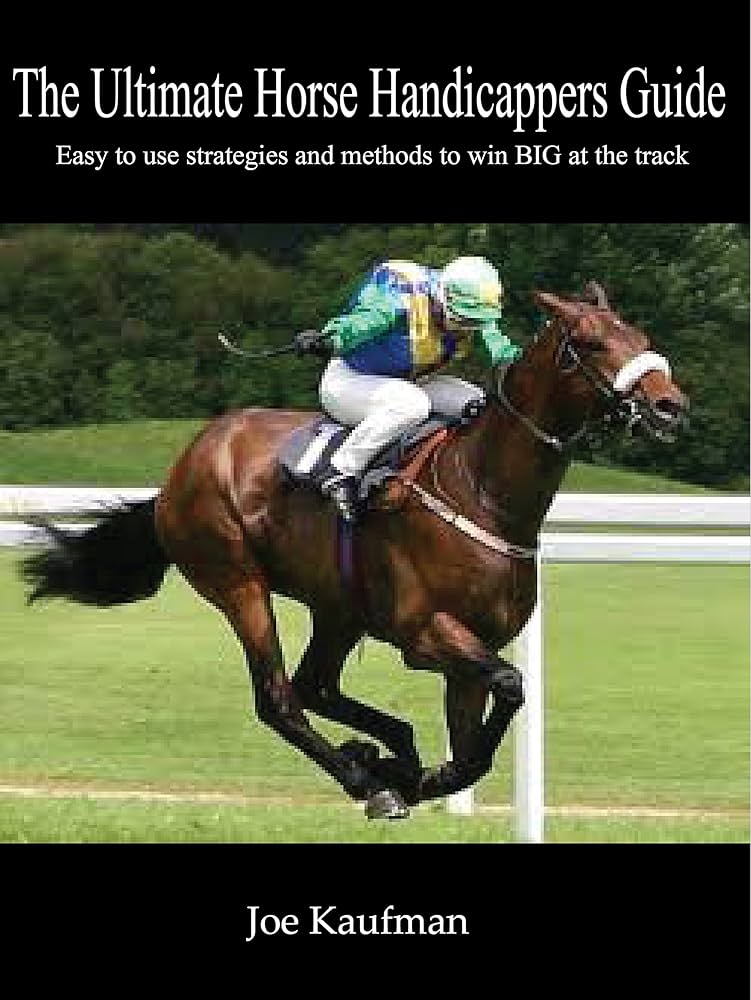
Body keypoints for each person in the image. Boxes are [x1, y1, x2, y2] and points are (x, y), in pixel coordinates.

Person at [297, 256, 522, 523]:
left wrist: (520, 363)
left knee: (478, 404)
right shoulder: (399, 298)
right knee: (411, 405)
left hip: (411, 383)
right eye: (462, 322)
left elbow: (498, 348)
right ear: (442, 300)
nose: (467, 331)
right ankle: (339, 471)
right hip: (350, 381)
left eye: (475, 324)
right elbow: (364, 321)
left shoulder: (475, 305)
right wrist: (330, 338)